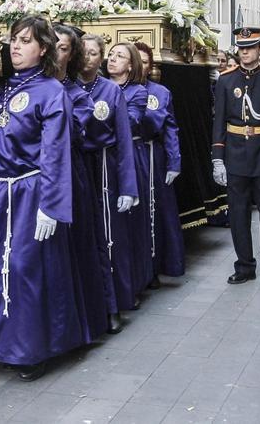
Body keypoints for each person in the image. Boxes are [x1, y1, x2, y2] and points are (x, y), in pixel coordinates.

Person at [0, 16, 85, 382]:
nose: (16, 47)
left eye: (26, 41)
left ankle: (30, 350)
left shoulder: (51, 91)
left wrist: (51, 205)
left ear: (43, 49)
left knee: (23, 269)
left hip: (29, 192)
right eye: (14, 40)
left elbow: (55, 153)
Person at [212, 27, 260, 284]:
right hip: (234, 153)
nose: (245, 53)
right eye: (241, 48)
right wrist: (217, 157)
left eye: (250, 48)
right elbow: (218, 121)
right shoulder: (226, 79)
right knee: (238, 212)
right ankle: (244, 266)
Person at [54, 25, 110, 342]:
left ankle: (78, 323)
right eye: (52, 45)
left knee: (73, 246)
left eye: (63, 48)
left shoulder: (76, 95)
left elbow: (72, 132)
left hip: (67, 174)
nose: (54, 52)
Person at [78, 34, 139, 324]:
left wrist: (128, 186)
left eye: (93, 53)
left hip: (103, 166)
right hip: (76, 164)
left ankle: (112, 303)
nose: (87, 58)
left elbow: (125, 140)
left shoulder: (110, 91)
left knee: (109, 234)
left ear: (100, 57)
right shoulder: (66, 87)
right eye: (82, 53)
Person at [133, 42, 185, 284]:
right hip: (129, 155)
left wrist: (174, 162)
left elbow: (170, 128)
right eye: (137, 61)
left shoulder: (160, 93)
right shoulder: (117, 90)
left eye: (145, 62)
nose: (140, 66)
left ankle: (155, 266)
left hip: (153, 155)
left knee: (155, 211)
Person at [108, 42, 154, 293]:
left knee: (130, 221)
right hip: (104, 157)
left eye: (120, 56)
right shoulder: (98, 86)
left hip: (129, 156)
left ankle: (133, 283)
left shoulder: (137, 92)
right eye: (111, 55)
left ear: (131, 64)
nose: (112, 59)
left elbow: (131, 120)